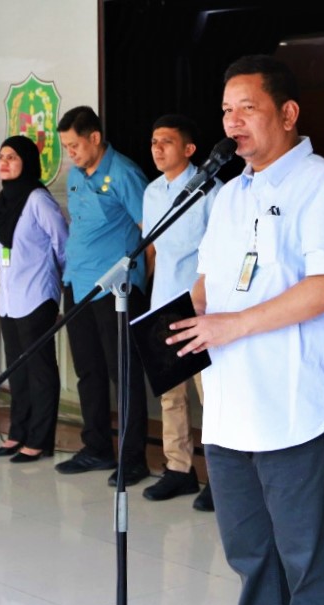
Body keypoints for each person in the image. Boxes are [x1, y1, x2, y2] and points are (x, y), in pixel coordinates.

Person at [167, 55, 324, 605]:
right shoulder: (225, 197)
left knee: (312, 568)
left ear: (288, 112)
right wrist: (162, 328)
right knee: (254, 561)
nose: (233, 123)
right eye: (226, 111)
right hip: (231, 415)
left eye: (247, 108)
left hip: (297, 413)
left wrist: (235, 325)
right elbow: (207, 287)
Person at [53, 106, 151, 486]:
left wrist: (144, 284)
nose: (71, 154)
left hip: (116, 291)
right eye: (65, 147)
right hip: (78, 285)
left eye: (74, 145)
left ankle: (133, 458)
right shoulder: (77, 176)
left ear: (95, 137)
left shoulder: (126, 174)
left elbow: (151, 233)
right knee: (87, 371)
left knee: (122, 374)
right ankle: (96, 447)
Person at [140, 114, 217, 510]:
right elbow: (151, 247)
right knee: (171, 395)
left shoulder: (210, 189)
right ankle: (178, 469)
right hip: (162, 302)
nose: (157, 148)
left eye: (166, 141)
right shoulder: (152, 192)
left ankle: (219, 479)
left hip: (201, 305)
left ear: (188, 149)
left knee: (211, 397)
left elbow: (219, 250)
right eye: (154, 141)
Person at [0, 135, 68, 463]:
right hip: (9, 298)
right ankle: (17, 432)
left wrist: (57, 282)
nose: (4, 162)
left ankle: (40, 439)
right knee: (17, 371)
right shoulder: (5, 200)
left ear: (28, 163)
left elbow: (62, 242)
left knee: (40, 370)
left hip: (36, 295)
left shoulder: (37, 199)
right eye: (1, 156)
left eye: (13, 157)